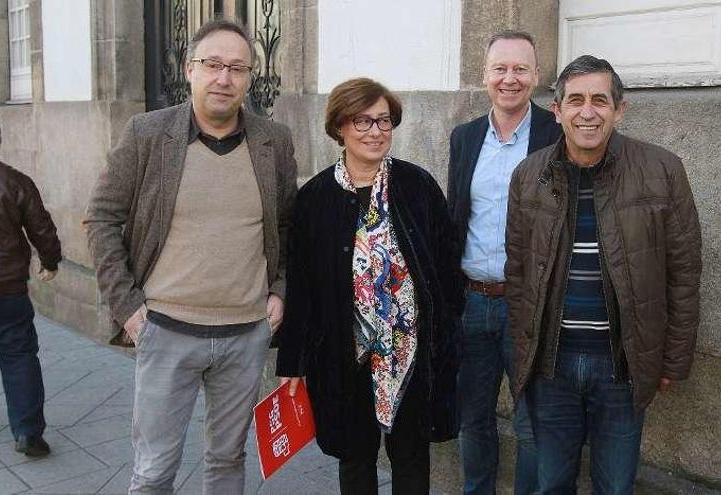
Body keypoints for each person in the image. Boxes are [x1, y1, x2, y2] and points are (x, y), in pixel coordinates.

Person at [84, 18, 298, 493]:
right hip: (165, 331)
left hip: (245, 335)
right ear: (189, 69)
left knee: (226, 463)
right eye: (213, 65)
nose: (224, 78)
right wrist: (129, 310)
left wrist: (280, 291)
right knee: (154, 470)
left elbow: (287, 226)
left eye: (237, 68)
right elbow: (100, 218)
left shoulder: (273, 142)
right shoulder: (146, 133)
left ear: (249, 77)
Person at [505, 55, 702, 494]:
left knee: (615, 485)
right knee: (551, 483)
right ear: (556, 111)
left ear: (619, 108)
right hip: (550, 366)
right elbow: (517, 272)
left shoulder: (662, 170)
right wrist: (524, 350)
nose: (587, 111)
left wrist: (672, 357)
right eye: (575, 100)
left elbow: (685, 272)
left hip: (622, 365)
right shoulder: (529, 175)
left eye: (599, 99)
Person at [276, 77, 464, 495]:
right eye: (363, 121)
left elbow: (448, 263)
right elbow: (301, 284)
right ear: (340, 126)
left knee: (411, 459)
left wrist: (448, 328)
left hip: (409, 352)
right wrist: (292, 360)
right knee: (355, 457)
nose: (375, 132)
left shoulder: (417, 186)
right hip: (346, 355)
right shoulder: (316, 198)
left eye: (384, 121)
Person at [447, 30, 561, 495]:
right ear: (485, 75)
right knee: (472, 419)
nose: (509, 79)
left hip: (529, 307)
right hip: (473, 301)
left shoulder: (558, 135)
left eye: (520, 69)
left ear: (536, 76)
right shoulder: (465, 137)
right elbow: (457, 216)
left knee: (533, 423)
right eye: (500, 68)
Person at [0, 117, 62, 458]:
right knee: (18, 356)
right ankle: (28, 434)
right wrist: (50, 261)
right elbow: (41, 228)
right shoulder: (15, 181)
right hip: (7, 289)